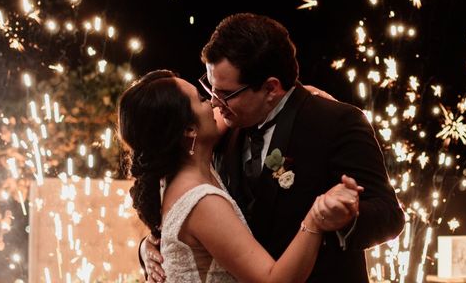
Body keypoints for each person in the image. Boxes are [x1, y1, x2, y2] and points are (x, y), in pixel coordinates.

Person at [143, 13, 405, 282]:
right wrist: (154, 245)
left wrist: (346, 219)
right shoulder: (217, 130)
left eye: (226, 94)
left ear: (271, 88)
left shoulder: (335, 122)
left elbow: (390, 216)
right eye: (210, 88)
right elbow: (189, 210)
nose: (214, 102)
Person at [119, 70, 362, 283]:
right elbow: (272, 280)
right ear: (189, 130)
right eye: (202, 99)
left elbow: (248, 106)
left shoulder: (172, 172)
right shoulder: (202, 202)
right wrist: (315, 219)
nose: (214, 102)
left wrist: (294, 99)